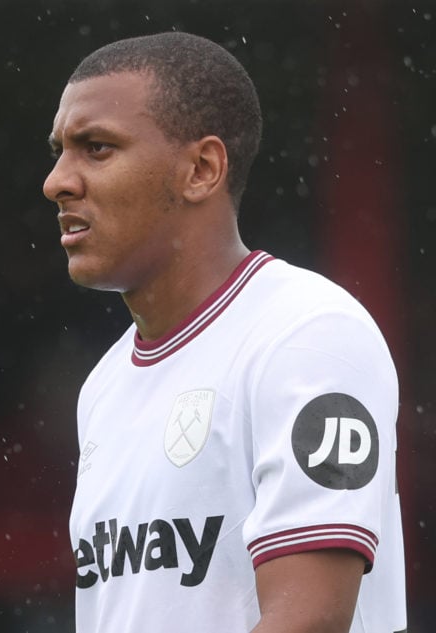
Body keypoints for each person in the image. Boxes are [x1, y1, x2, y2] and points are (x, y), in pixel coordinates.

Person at [42, 32, 405, 632]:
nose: (57, 181)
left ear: (202, 169)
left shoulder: (308, 336)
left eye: (96, 148)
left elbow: (307, 622)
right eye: (58, 152)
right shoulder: (103, 386)